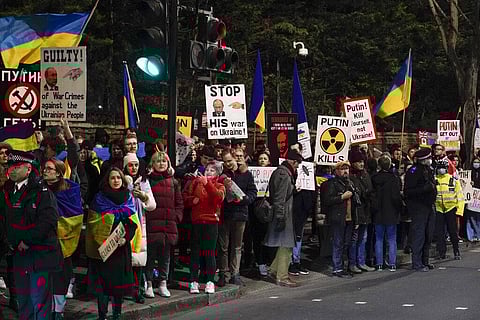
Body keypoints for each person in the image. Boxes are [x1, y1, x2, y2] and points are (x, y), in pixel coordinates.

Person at [0, 150, 63, 320]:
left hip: (40, 255)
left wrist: (26, 240)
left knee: (39, 302)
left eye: (17, 166)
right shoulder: (7, 191)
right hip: (18, 255)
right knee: (24, 301)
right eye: (10, 166)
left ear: (28, 169)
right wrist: (9, 241)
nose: (12, 170)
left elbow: (47, 222)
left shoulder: (41, 192)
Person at [85, 167, 139, 320]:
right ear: (107, 180)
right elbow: (93, 223)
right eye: (112, 178)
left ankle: (117, 314)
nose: (116, 180)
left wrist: (125, 238)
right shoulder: (99, 199)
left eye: (118, 178)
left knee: (119, 286)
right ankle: (102, 315)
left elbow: (133, 223)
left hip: (121, 249)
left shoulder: (128, 198)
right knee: (103, 286)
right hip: (104, 247)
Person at [43, 159, 83, 320]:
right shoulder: (39, 188)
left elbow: (75, 215)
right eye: (45, 168)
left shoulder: (68, 191)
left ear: (59, 173)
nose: (45, 171)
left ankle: (58, 310)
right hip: (43, 240)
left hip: (63, 242)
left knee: (60, 277)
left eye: (50, 169)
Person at [183, 161, 225, 294]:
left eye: (212, 170)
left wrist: (207, 184)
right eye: (207, 170)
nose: (208, 172)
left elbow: (217, 197)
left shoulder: (220, 185)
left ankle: (210, 281)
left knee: (209, 253)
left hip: (211, 222)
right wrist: (191, 200)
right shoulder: (196, 183)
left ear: (218, 173)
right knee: (195, 252)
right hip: (197, 221)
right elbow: (185, 197)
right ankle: (193, 281)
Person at [145, 151, 183, 298]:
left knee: (165, 257)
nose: (161, 164)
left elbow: (179, 202)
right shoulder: (147, 181)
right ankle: (148, 283)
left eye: (164, 161)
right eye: (158, 161)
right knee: (150, 256)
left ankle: (162, 283)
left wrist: (177, 217)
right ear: (152, 164)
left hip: (168, 224)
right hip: (152, 223)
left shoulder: (173, 182)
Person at [217, 148, 257, 286]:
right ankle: (223, 272)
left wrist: (245, 199)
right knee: (223, 246)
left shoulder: (246, 175)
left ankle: (235, 274)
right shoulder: (222, 175)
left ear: (236, 159)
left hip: (240, 213)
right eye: (225, 161)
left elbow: (253, 192)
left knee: (237, 246)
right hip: (226, 213)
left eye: (230, 161)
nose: (228, 164)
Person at [264, 149, 303, 287]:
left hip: (283, 212)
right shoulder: (284, 175)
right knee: (286, 245)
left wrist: (292, 190)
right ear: (293, 161)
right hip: (283, 214)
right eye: (297, 163)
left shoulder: (280, 172)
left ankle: (274, 270)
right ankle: (282, 276)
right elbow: (279, 198)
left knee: (284, 244)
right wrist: (280, 217)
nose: (297, 166)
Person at [123, 153, 156, 303]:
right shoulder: (120, 179)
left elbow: (152, 206)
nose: (134, 168)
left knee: (138, 259)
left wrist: (143, 197)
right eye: (130, 165)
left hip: (139, 225)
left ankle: (137, 290)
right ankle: (123, 289)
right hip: (124, 223)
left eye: (136, 165)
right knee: (123, 259)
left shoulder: (144, 182)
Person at [405, 148, 437, 272]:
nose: (430, 160)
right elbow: (408, 191)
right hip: (419, 207)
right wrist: (425, 188)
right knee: (419, 235)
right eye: (428, 158)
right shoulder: (413, 171)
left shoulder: (428, 170)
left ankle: (425, 260)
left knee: (428, 234)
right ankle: (417, 263)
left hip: (430, 205)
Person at [322, 161, 355, 278]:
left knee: (346, 243)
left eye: (347, 169)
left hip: (349, 218)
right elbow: (327, 200)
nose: (345, 171)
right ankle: (337, 268)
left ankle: (344, 266)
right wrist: (341, 197)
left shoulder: (350, 183)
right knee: (338, 243)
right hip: (338, 218)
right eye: (342, 169)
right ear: (336, 171)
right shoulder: (332, 183)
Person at [371, 155, 402, 271]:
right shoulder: (394, 178)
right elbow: (396, 197)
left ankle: (379, 263)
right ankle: (392, 263)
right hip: (391, 212)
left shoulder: (374, 178)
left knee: (379, 239)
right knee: (391, 239)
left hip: (378, 212)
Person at [347, 149, 375, 273]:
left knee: (363, 238)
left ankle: (361, 261)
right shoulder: (351, 177)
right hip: (356, 212)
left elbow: (369, 189)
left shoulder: (365, 174)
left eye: (362, 161)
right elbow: (358, 192)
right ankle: (352, 263)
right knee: (354, 239)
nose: (361, 164)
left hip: (365, 211)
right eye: (358, 162)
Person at [434, 160, 464, 260]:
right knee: (439, 233)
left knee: (452, 232)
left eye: (442, 167)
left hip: (451, 209)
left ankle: (456, 250)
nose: (441, 170)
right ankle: (441, 252)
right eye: (439, 168)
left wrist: (459, 211)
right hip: (438, 209)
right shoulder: (434, 180)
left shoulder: (453, 180)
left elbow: (460, 197)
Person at [465, 158, 480, 241]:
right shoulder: (469, 172)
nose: (476, 164)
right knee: (471, 216)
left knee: (478, 217)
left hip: (478, 197)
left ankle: (478, 234)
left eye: (478, 162)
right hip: (471, 196)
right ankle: (471, 235)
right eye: (475, 162)